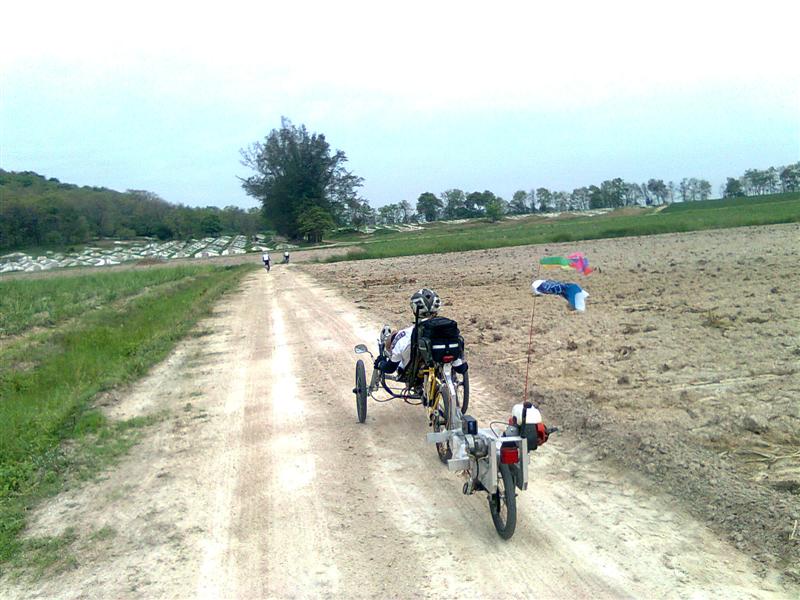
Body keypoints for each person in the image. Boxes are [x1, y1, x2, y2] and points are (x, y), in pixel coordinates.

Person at [375, 288, 467, 378]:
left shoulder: (405, 335)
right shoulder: (448, 330)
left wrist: (380, 363)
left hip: (411, 373)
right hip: (442, 368)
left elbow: (390, 368)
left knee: (394, 336)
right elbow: (461, 367)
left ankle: (387, 339)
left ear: (414, 310)